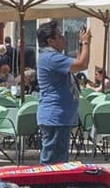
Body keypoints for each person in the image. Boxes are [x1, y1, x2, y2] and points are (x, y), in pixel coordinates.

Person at [35, 20, 92, 163]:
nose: (63, 38)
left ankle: (54, 185)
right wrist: (86, 43)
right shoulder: (51, 58)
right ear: (51, 41)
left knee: (59, 161)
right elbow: (82, 64)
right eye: (59, 36)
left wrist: (80, 44)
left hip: (59, 116)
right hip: (55, 116)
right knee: (52, 162)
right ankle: (45, 185)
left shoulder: (53, 56)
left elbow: (76, 64)